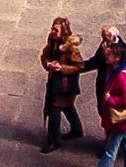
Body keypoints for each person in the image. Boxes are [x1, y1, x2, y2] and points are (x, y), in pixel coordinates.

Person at [40, 15, 84, 154]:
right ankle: (77, 129)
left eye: (56, 30)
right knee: (66, 106)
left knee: (54, 109)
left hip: (65, 85)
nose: (53, 32)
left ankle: (54, 140)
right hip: (55, 80)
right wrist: (48, 64)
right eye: (52, 29)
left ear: (63, 31)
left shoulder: (71, 48)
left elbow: (79, 66)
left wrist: (62, 68)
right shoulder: (52, 40)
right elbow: (45, 55)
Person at [98, 40, 126, 167]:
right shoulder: (115, 70)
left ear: (117, 58)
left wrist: (110, 100)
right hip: (123, 120)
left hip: (121, 120)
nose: (107, 55)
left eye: (109, 54)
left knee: (110, 150)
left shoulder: (122, 76)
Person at [82, 25, 126, 122]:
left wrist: (106, 55)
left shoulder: (123, 49)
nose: (103, 40)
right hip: (103, 83)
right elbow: (96, 60)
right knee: (102, 111)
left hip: (114, 87)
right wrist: (80, 66)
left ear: (112, 37)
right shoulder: (105, 44)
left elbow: (123, 69)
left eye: (105, 37)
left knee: (114, 114)